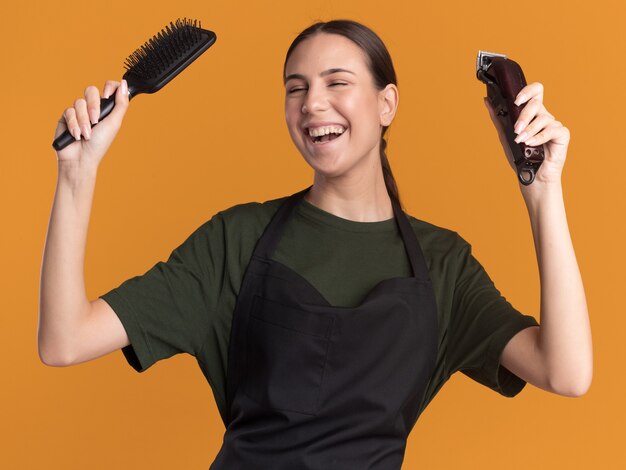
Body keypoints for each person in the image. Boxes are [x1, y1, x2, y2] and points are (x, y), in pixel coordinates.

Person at [40, 19, 592, 469]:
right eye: (296, 88)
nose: (311, 104)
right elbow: (64, 340)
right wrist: (76, 174)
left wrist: (543, 193)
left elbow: (566, 372)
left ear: (386, 104)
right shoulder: (237, 240)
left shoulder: (445, 264)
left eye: (337, 82)